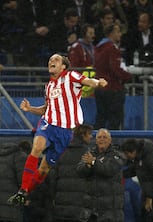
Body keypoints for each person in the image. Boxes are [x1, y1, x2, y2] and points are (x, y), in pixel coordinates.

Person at [7, 53, 108, 206]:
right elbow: (47, 109)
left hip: (66, 131)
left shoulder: (71, 76)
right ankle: (22, 189)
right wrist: (30, 109)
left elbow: (88, 81)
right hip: (48, 124)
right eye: (50, 59)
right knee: (37, 147)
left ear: (63, 66)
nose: (51, 61)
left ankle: (25, 193)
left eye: (56, 59)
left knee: (44, 169)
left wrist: (98, 83)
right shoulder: (48, 86)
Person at [67, 128, 132, 222]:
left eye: (104, 137)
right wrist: (89, 165)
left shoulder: (117, 155)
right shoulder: (90, 153)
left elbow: (109, 170)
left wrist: (94, 163)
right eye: (98, 138)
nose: (101, 140)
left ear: (110, 140)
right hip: (92, 201)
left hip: (110, 202)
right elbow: (79, 170)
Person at [48, 124, 94, 222]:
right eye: (89, 134)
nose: (91, 137)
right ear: (84, 135)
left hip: (61, 202)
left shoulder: (63, 152)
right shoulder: (88, 154)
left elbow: (53, 178)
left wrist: (54, 197)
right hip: (79, 202)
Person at [94, 23, 132, 130]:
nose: (120, 34)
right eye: (118, 32)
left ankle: (94, 143)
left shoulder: (98, 48)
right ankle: (113, 144)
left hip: (100, 86)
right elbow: (115, 68)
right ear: (112, 34)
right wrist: (128, 77)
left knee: (101, 117)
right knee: (114, 120)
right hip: (112, 88)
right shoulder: (111, 48)